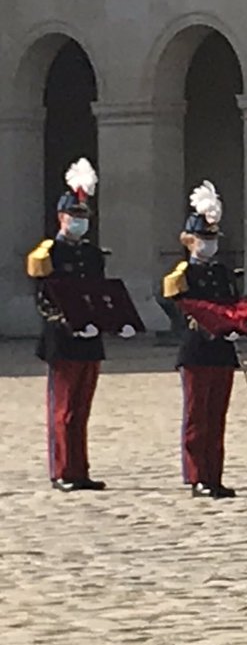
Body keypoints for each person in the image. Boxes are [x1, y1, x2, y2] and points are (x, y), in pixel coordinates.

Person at [27, 158, 127, 492]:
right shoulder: (47, 253)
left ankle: (79, 469)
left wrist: (114, 322)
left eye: (84, 217)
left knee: (82, 409)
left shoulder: (92, 255)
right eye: (74, 217)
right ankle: (61, 471)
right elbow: (44, 300)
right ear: (61, 217)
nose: (79, 222)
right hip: (63, 339)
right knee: (64, 410)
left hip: (90, 337)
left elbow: (99, 294)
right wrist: (71, 325)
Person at [162, 181, 240, 499]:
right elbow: (179, 311)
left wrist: (239, 324)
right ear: (189, 241)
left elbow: (232, 304)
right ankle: (196, 475)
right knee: (197, 415)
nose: (208, 244)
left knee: (216, 416)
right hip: (196, 348)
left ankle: (214, 474)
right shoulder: (182, 275)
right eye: (203, 238)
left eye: (212, 238)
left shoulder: (222, 273)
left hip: (221, 349)